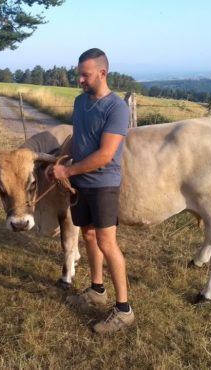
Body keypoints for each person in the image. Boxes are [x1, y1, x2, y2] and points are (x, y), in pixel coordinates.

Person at [51, 48, 134, 334]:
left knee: (107, 242)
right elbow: (78, 136)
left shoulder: (116, 108)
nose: (80, 81)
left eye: (85, 75)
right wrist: (61, 158)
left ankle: (124, 309)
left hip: (103, 185)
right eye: (79, 75)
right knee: (87, 235)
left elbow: (105, 154)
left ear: (102, 73)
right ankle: (97, 290)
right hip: (81, 185)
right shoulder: (80, 102)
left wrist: (67, 171)